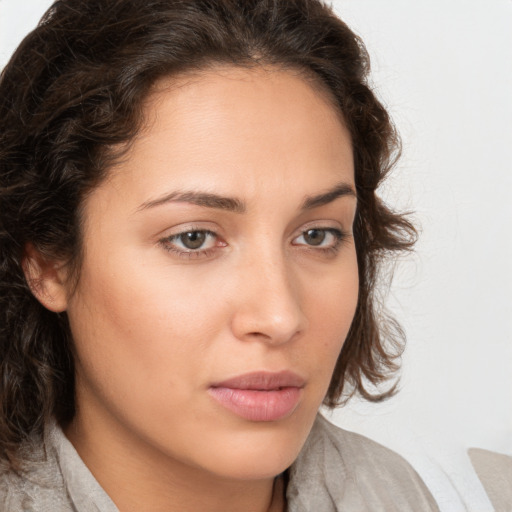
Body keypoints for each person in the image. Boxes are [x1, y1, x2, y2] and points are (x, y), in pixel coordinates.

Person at [0, 0, 440, 510]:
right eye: (194, 238)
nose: (279, 317)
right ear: (48, 263)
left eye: (317, 235)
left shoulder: (392, 493)